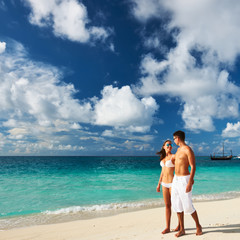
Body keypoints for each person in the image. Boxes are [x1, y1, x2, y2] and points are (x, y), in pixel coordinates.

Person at [171, 130, 202, 237]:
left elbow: (193, 166)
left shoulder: (188, 149)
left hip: (185, 179)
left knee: (187, 205)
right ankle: (182, 229)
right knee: (176, 204)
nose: (173, 140)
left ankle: (198, 226)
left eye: (174, 138)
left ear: (178, 138)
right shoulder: (178, 150)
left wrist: (190, 182)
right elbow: (175, 161)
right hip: (176, 179)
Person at [156, 140, 180, 234]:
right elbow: (162, 172)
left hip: (172, 183)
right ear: (164, 147)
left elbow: (180, 167)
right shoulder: (162, 158)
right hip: (164, 184)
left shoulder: (174, 156)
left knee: (175, 205)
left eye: (171, 144)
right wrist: (158, 184)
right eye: (168, 144)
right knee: (167, 206)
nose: (170, 146)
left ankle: (180, 224)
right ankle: (167, 227)